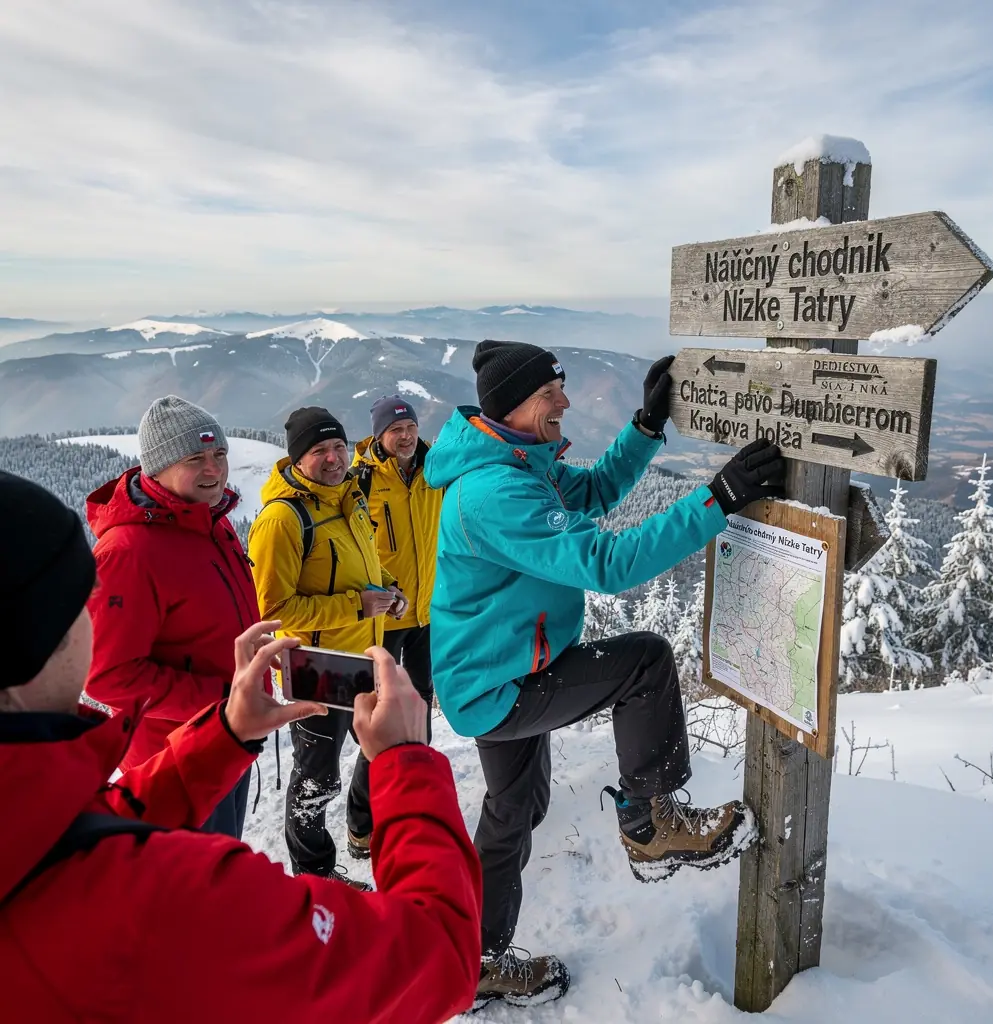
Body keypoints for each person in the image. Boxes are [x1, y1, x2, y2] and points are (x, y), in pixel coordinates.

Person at [0, 470, 482, 1024]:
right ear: (40, 637)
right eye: (83, 599)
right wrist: (404, 763)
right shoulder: (168, 900)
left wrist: (224, 734)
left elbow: (92, 824)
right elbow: (438, 956)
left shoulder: (30, 823)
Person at [424, 340, 787, 1008]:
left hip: (490, 673)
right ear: (512, 405)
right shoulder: (495, 490)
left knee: (513, 811)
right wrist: (717, 499)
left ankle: (470, 959)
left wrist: (645, 430)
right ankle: (652, 824)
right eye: (550, 393)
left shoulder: (515, 461)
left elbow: (589, 493)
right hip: (499, 685)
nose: (564, 402)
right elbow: (609, 564)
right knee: (643, 662)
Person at [84, 396, 261, 839]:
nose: (214, 469)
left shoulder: (209, 522)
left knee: (223, 869)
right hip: (173, 760)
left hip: (227, 733)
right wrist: (222, 695)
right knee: (195, 885)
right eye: (195, 458)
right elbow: (108, 677)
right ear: (157, 467)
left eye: (219, 454)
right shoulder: (127, 553)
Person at [247, 407, 410, 883]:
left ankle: (365, 829)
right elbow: (274, 610)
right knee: (317, 777)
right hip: (316, 668)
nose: (334, 458)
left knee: (385, 748)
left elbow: (366, 568)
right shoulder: (283, 520)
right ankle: (314, 874)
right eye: (319, 450)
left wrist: (390, 591)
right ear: (298, 459)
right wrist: (359, 607)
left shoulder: (348, 498)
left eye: (339, 446)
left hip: (363, 657)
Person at [352, 396, 441, 755]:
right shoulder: (361, 480)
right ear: (379, 435)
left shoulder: (435, 470)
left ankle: (419, 764)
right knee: (380, 708)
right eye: (395, 430)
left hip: (426, 612)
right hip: (385, 614)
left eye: (410, 428)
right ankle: (375, 784)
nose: (405, 436)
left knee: (421, 697)